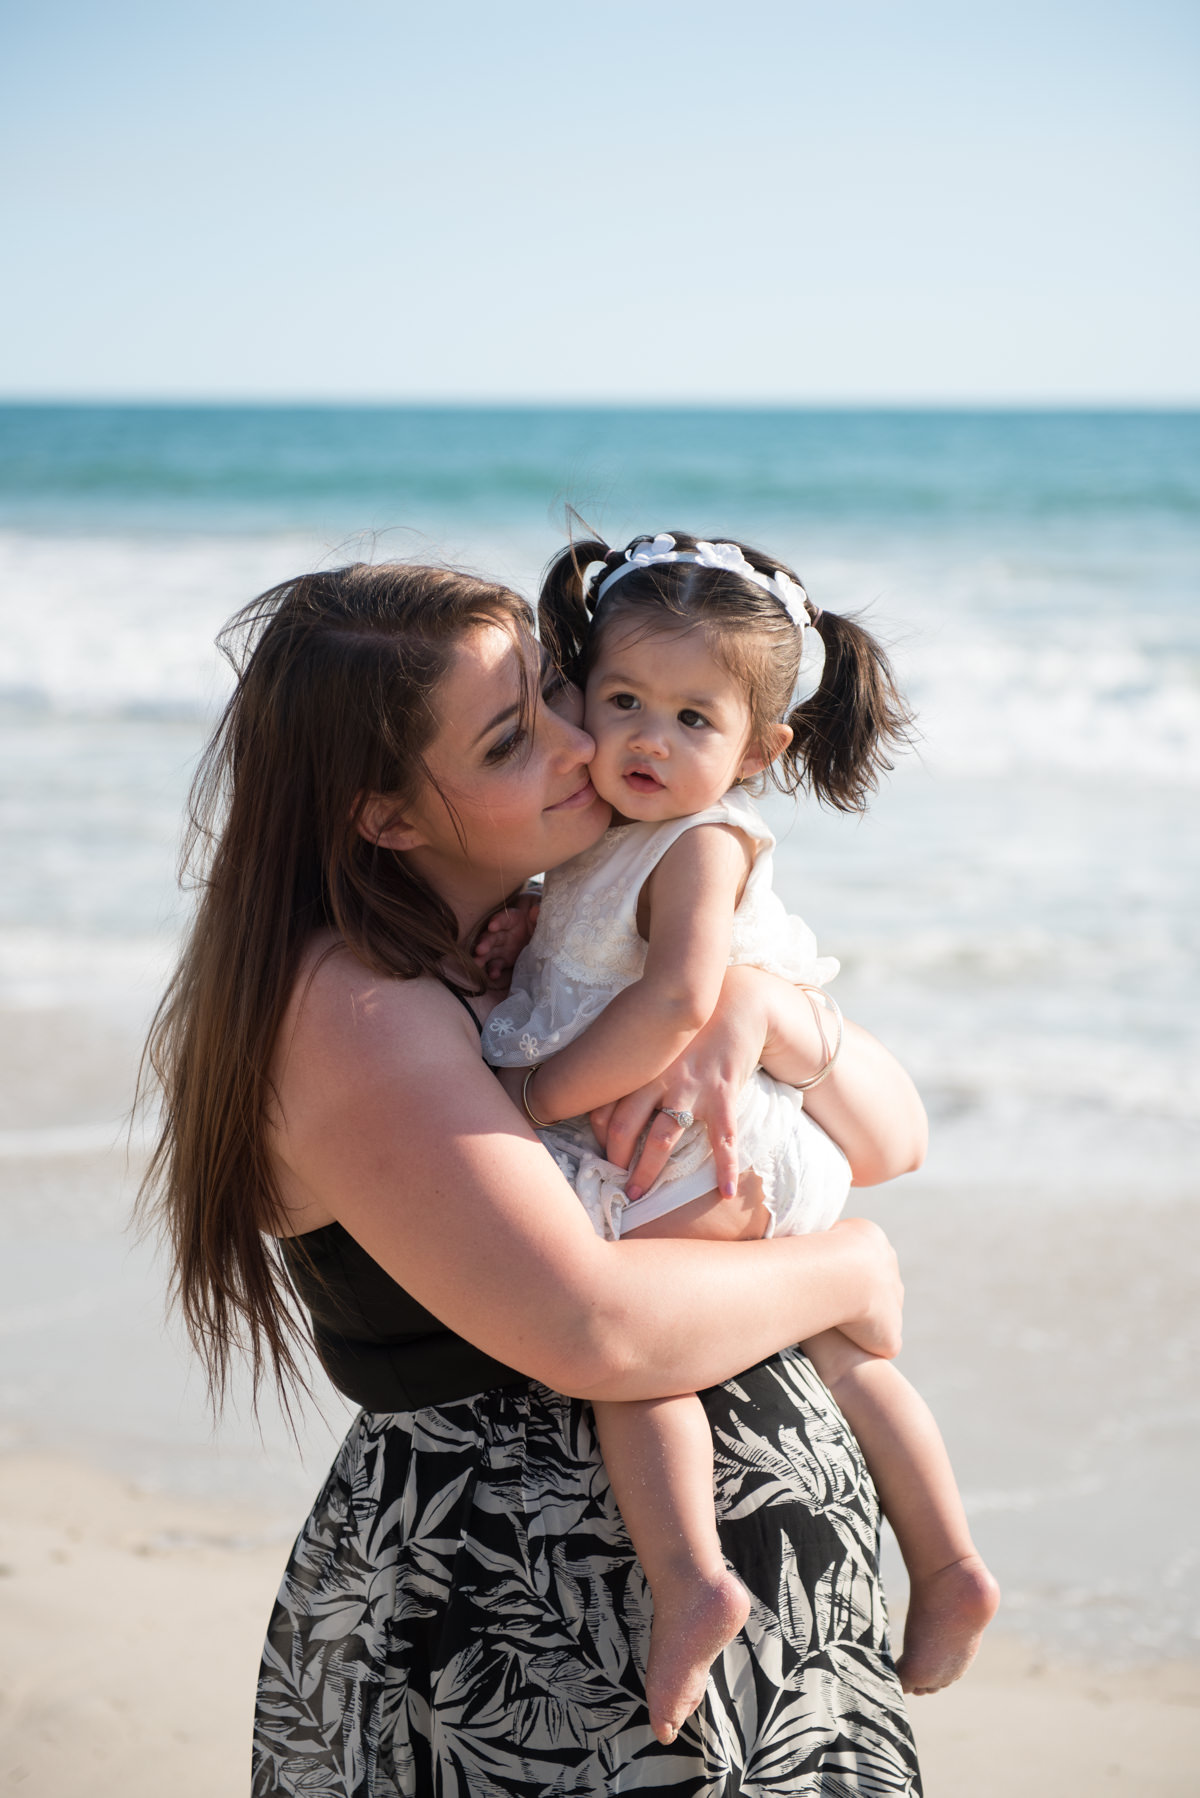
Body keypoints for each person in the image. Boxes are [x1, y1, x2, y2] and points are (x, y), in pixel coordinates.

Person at [140, 560, 927, 1796]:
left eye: (561, 692)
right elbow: (594, 1329)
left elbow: (890, 1138)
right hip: (535, 1625)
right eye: (515, 737)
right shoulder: (362, 1012)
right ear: (388, 815)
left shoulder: (543, 941)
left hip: (664, 1612)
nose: (584, 744)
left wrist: (759, 1005)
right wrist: (850, 1264)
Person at [482, 531, 999, 1744]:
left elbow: (673, 1002)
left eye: (691, 719)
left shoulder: (701, 843)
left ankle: (690, 1582)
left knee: (638, 1340)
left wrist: (530, 1098)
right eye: (622, 703)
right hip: (694, 1126)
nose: (648, 740)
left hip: (714, 1128)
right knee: (841, 1355)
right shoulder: (599, 839)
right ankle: (950, 1559)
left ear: (760, 751)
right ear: (575, 697)